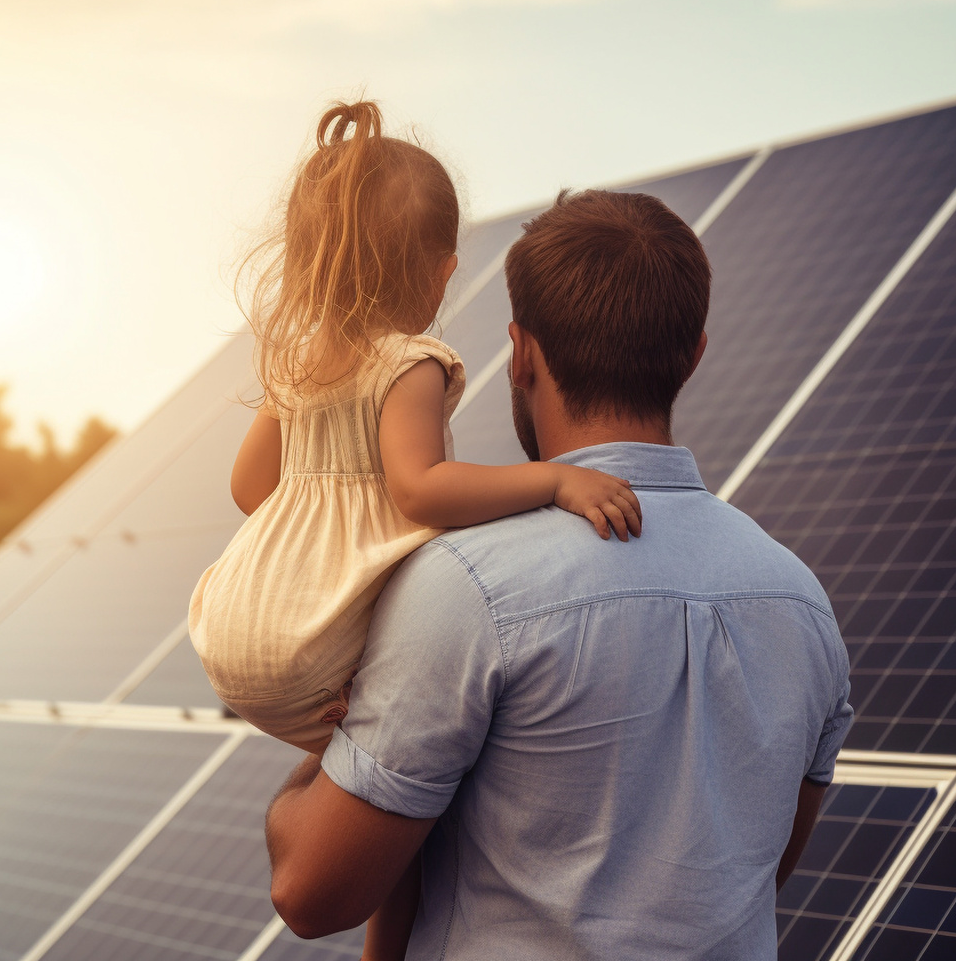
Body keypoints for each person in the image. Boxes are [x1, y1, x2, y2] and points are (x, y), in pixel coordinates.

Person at [265, 189, 855, 960]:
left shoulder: (467, 588)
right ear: (694, 353)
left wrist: (321, 740)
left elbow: (311, 893)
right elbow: (752, 876)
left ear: (522, 352)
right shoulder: (804, 606)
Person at [189, 103, 642, 960]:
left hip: (235, 629)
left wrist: (317, 522)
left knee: (400, 794)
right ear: (443, 273)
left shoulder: (302, 364)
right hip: (307, 655)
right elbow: (422, 487)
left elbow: (252, 489)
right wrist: (552, 481)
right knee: (418, 805)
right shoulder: (411, 363)